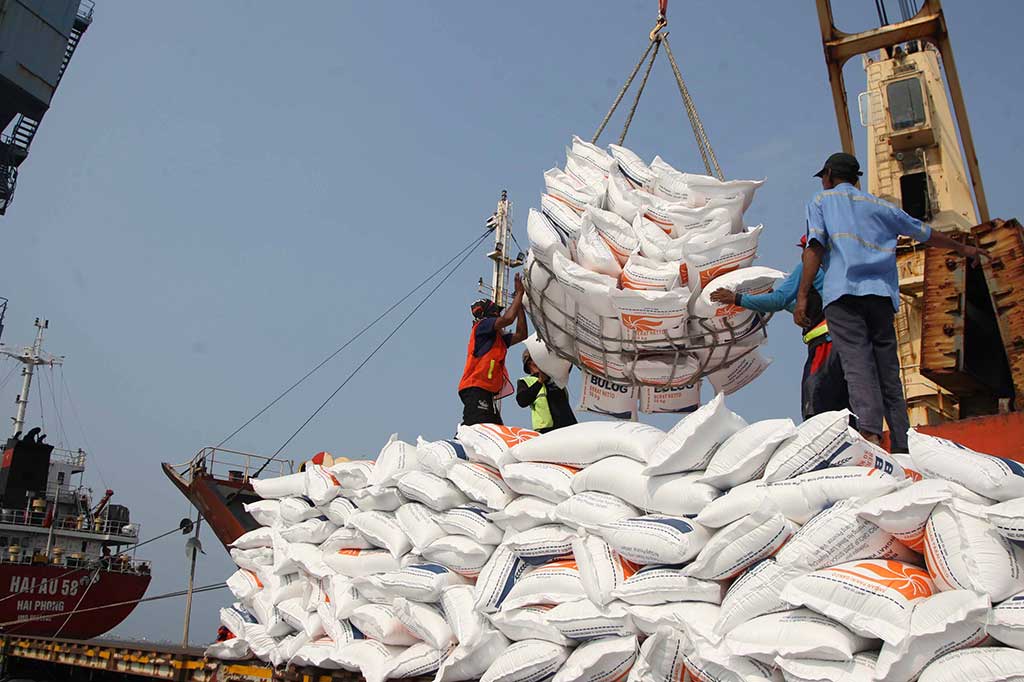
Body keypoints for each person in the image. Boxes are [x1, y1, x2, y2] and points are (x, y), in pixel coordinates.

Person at [794, 152, 987, 452]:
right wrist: (964, 249)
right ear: (857, 178)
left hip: (843, 296)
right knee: (888, 370)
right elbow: (926, 234)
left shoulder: (821, 203)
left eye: (823, 177)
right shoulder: (882, 207)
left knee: (857, 365)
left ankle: (870, 435)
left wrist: (803, 296)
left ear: (829, 175)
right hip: (881, 297)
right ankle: (902, 441)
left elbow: (815, 247)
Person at [710, 235, 849, 420]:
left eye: (804, 249)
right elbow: (808, 308)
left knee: (815, 403)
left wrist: (736, 299)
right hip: (848, 345)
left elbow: (778, 300)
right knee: (844, 405)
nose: (802, 254)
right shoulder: (838, 272)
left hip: (826, 346)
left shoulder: (810, 268)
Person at [458, 273, 528, 426]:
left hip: (487, 393)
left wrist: (520, 306)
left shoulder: (498, 339)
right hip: (476, 388)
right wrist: (519, 294)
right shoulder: (481, 327)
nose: (500, 315)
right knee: (476, 427)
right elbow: (508, 319)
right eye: (497, 313)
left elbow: (522, 334)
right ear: (490, 316)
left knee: (494, 431)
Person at [516, 350, 577, 433]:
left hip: (569, 428)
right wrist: (540, 381)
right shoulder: (526, 381)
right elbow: (522, 401)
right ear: (529, 363)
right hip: (547, 431)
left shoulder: (555, 377)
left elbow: (567, 365)